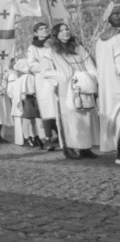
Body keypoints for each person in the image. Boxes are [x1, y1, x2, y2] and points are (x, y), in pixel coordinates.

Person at [47, 23, 99, 159]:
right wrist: (62, 77)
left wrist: (90, 77)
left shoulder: (78, 48)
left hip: (83, 87)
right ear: (56, 34)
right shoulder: (51, 51)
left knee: (85, 118)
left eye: (67, 29)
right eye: (62, 30)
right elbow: (45, 70)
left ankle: (85, 148)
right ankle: (68, 148)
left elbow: (90, 65)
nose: (66, 32)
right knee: (68, 120)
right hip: (66, 90)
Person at [27, 22, 59, 150]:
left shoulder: (54, 43)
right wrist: (46, 67)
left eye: (46, 28)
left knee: (60, 107)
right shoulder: (33, 48)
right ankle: (47, 139)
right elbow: (32, 65)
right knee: (47, 109)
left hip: (58, 77)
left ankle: (63, 136)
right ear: (36, 33)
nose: (45, 30)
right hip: (43, 81)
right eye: (41, 29)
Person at [95, 6, 120, 159]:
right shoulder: (118, 37)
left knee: (111, 116)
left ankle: (111, 146)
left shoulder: (100, 39)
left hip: (106, 84)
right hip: (117, 82)